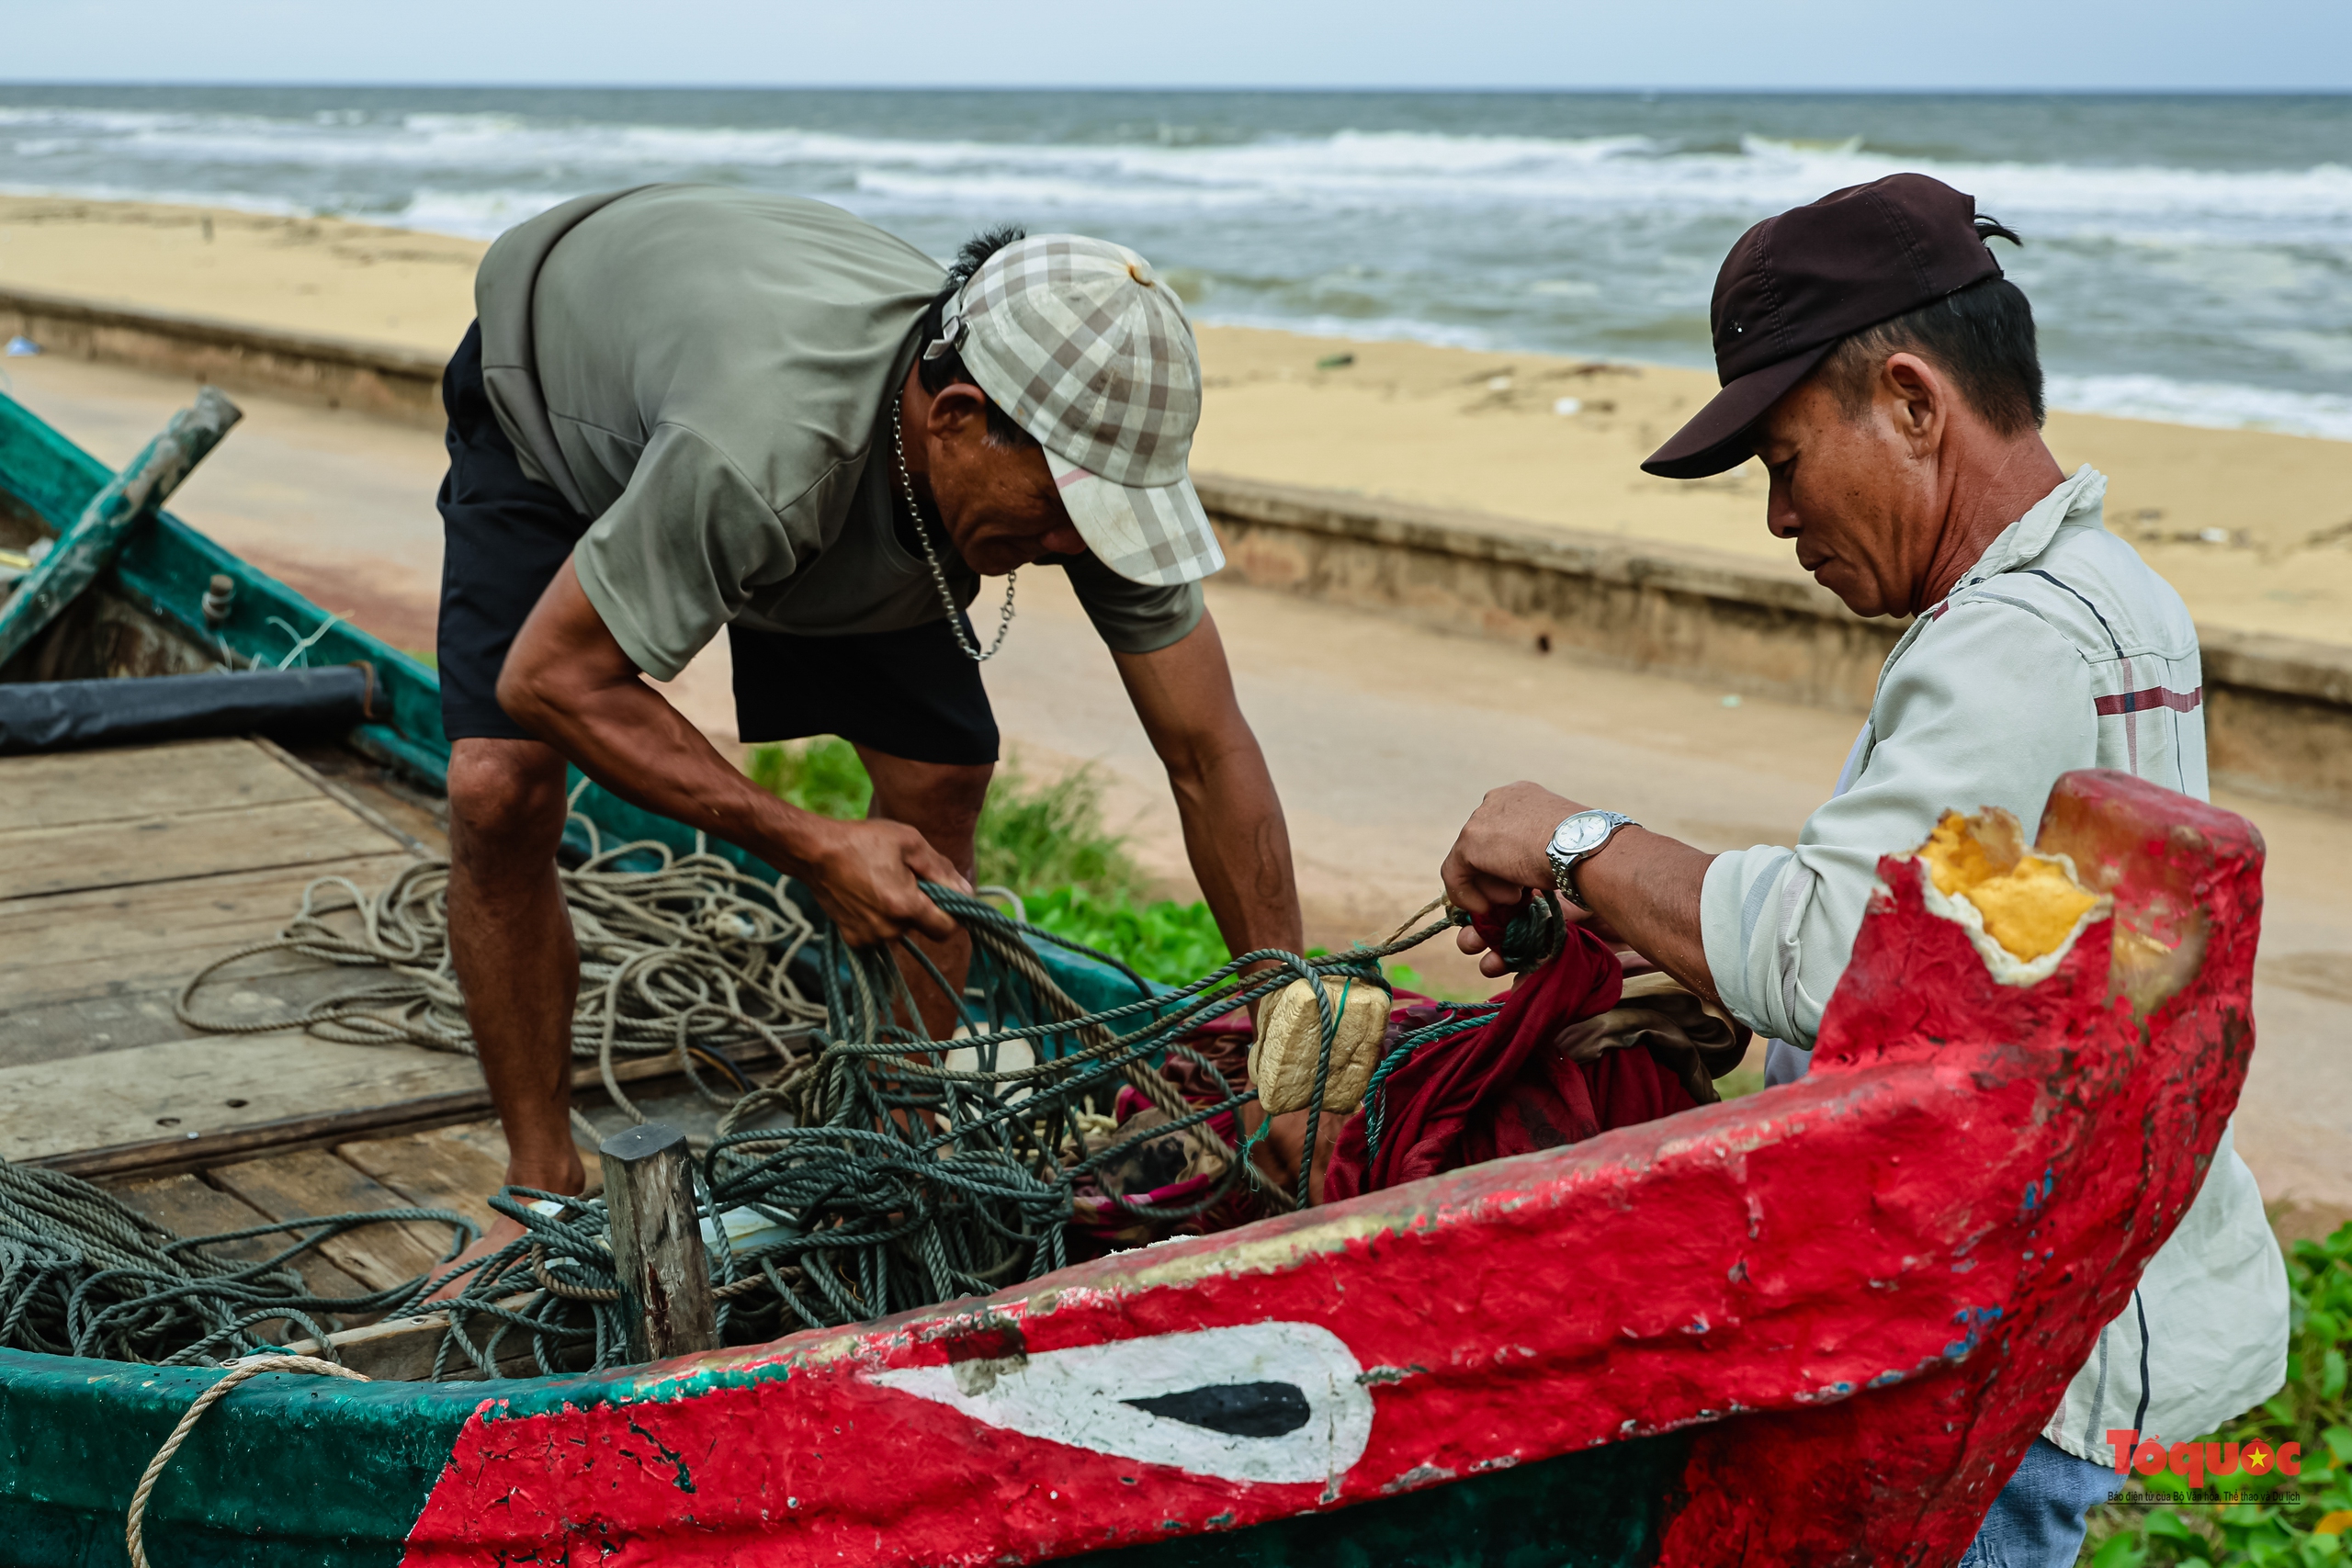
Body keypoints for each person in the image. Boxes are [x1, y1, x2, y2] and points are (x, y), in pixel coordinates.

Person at [1438, 174, 2289, 1567]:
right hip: (2075, 1281)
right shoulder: (2107, 591)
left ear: (1910, 400)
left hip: (2010, 1355)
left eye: (1781, 460)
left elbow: (1837, 943)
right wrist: (1717, 973)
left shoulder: (2009, 642)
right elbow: (1984, 935)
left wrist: (1576, 842)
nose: (1779, 521)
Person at [432, 186, 1304, 1272]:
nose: (1079, 547)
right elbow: (554, 680)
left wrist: (1289, 1026)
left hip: (811, 439)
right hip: (560, 396)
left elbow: (1208, 752)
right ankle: (537, 1177)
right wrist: (810, 844)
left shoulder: (1032, 477)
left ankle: (892, 1147)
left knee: (941, 784)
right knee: (498, 786)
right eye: (1063, 514)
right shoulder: (762, 449)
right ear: (955, 419)